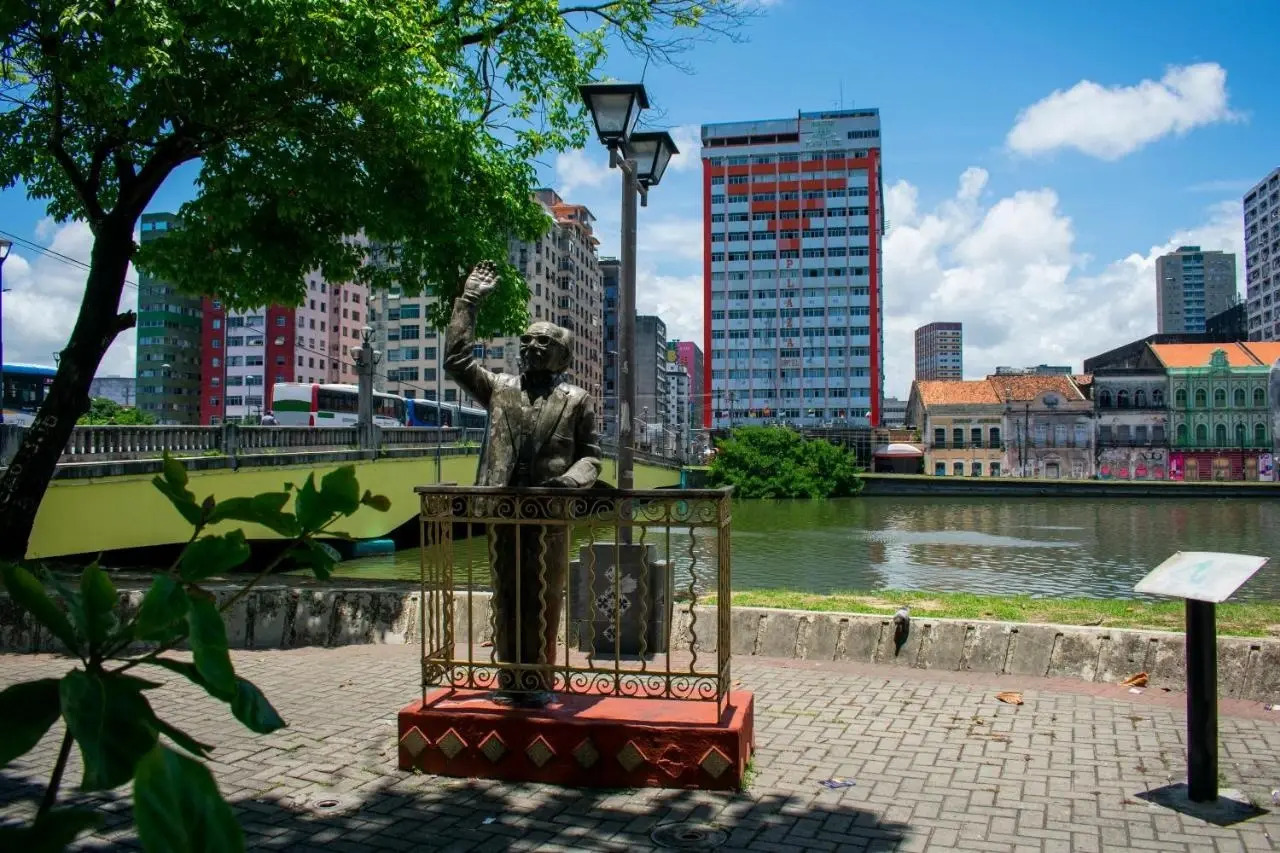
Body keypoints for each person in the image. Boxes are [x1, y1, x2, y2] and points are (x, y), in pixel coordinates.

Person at [445, 260, 602, 707]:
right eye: (528, 340)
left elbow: (592, 457)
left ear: (563, 357)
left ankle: (538, 681)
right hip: (502, 509)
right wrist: (468, 301)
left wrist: (570, 484)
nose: (533, 346)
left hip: (549, 513)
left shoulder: (577, 400)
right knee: (505, 593)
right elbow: (456, 360)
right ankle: (509, 680)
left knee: (543, 595)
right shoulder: (499, 388)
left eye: (545, 342)